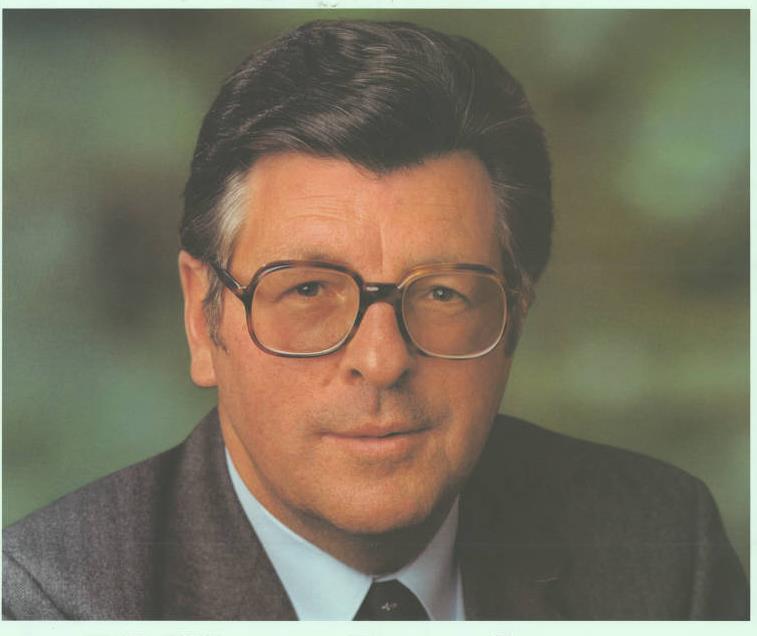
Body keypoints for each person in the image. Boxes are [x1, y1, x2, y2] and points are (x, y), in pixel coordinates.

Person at [2, 19, 748, 621]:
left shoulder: (660, 549)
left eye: (443, 293)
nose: (383, 360)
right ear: (204, 318)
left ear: (516, 311)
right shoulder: (52, 600)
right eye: (308, 290)